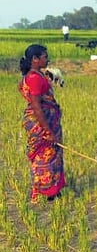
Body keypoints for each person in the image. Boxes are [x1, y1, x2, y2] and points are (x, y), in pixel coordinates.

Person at [18, 44, 65, 203]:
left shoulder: (34, 75)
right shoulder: (34, 78)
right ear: (35, 59)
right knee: (46, 155)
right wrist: (48, 131)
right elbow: (37, 106)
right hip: (42, 122)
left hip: (41, 120)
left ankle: (48, 190)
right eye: (45, 57)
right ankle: (48, 192)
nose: (48, 59)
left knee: (47, 155)